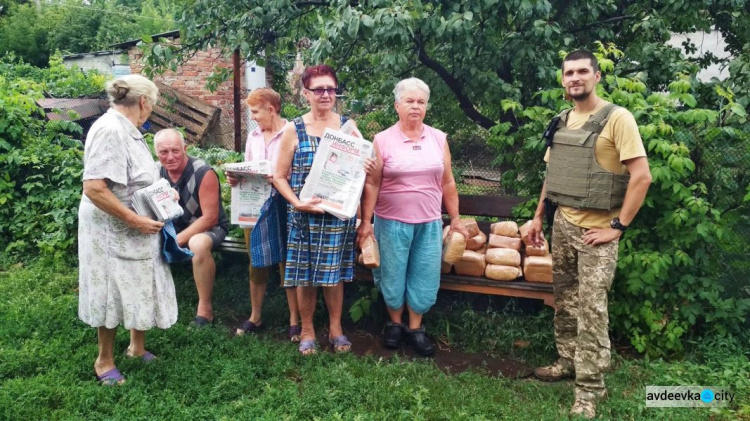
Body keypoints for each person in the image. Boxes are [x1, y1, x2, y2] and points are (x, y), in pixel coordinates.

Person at [528, 50, 652, 419]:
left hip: (599, 228)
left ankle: (590, 388)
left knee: (592, 309)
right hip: (563, 223)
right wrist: (538, 218)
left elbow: (641, 177)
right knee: (564, 299)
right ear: (562, 79)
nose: (575, 78)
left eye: (583, 71)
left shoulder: (618, 119)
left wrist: (618, 227)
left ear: (597, 76)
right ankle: (567, 360)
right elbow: (552, 178)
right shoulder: (561, 120)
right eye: (569, 72)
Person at [357, 77, 469, 357]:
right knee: (392, 276)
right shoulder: (382, 140)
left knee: (425, 275)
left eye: (420, 102)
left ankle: (415, 328)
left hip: (429, 223)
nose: (415, 106)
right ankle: (395, 324)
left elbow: (448, 182)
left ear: (427, 107)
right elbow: (372, 183)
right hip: (391, 222)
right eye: (409, 101)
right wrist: (366, 222)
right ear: (397, 106)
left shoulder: (438, 138)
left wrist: (455, 218)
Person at [78, 75, 177, 385]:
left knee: (141, 281)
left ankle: (136, 347)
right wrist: (134, 220)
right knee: (111, 289)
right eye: (154, 104)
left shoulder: (129, 130)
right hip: (111, 229)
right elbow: (95, 188)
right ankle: (104, 360)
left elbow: (136, 181)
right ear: (144, 102)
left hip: (137, 225)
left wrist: (163, 194)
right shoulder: (110, 130)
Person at [274, 64, 374, 355]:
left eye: (331, 88)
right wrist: (296, 202)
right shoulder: (294, 129)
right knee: (306, 277)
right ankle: (307, 330)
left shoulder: (348, 126)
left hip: (337, 217)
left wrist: (367, 164)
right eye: (319, 89)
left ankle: (335, 328)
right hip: (304, 217)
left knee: (333, 276)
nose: (326, 94)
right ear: (306, 93)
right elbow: (279, 175)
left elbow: (365, 169)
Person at [226, 88, 301, 340]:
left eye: (256, 111)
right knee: (256, 260)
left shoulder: (292, 132)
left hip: (283, 202)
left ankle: (294, 319)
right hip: (255, 206)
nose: (254, 117)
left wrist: (280, 176)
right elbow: (248, 166)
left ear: (271, 109)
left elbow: (299, 171)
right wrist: (235, 178)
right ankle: (255, 316)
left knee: (287, 261)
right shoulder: (254, 136)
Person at [154, 128, 230, 327]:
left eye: (175, 151)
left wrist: (175, 241)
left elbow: (210, 218)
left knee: (197, 244)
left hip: (208, 227)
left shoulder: (203, 172)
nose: (170, 157)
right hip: (172, 226)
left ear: (185, 149)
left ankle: (205, 309)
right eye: (163, 152)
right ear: (156, 153)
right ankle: (150, 300)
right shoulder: (155, 172)